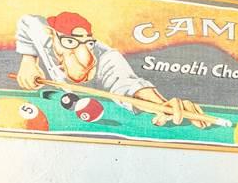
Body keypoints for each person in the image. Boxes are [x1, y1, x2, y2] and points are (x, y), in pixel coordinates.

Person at [11, 9, 215, 128]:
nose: (83, 53)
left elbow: (128, 85)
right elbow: (26, 22)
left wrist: (161, 105)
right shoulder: (43, 34)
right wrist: (28, 62)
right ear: (52, 34)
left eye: (88, 43)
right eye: (71, 42)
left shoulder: (108, 59)